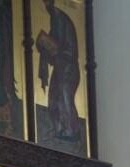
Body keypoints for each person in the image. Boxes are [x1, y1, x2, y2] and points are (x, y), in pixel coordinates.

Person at [36, 0, 81, 144]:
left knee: (64, 97)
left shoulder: (59, 17)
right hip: (61, 66)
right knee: (54, 98)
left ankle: (71, 131)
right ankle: (60, 130)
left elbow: (59, 46)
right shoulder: (55, 18)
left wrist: (44, 42)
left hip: (67, 66)